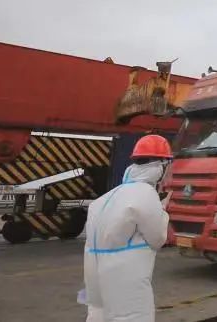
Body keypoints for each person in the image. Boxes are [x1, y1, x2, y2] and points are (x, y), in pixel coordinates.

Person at [82, 134, 173, 322]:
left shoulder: (107, 197)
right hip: (125, 275)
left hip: (94, 274)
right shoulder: (145, 194)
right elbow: (157, 239)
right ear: (161, 166)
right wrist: (163, 211)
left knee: (98, 315)